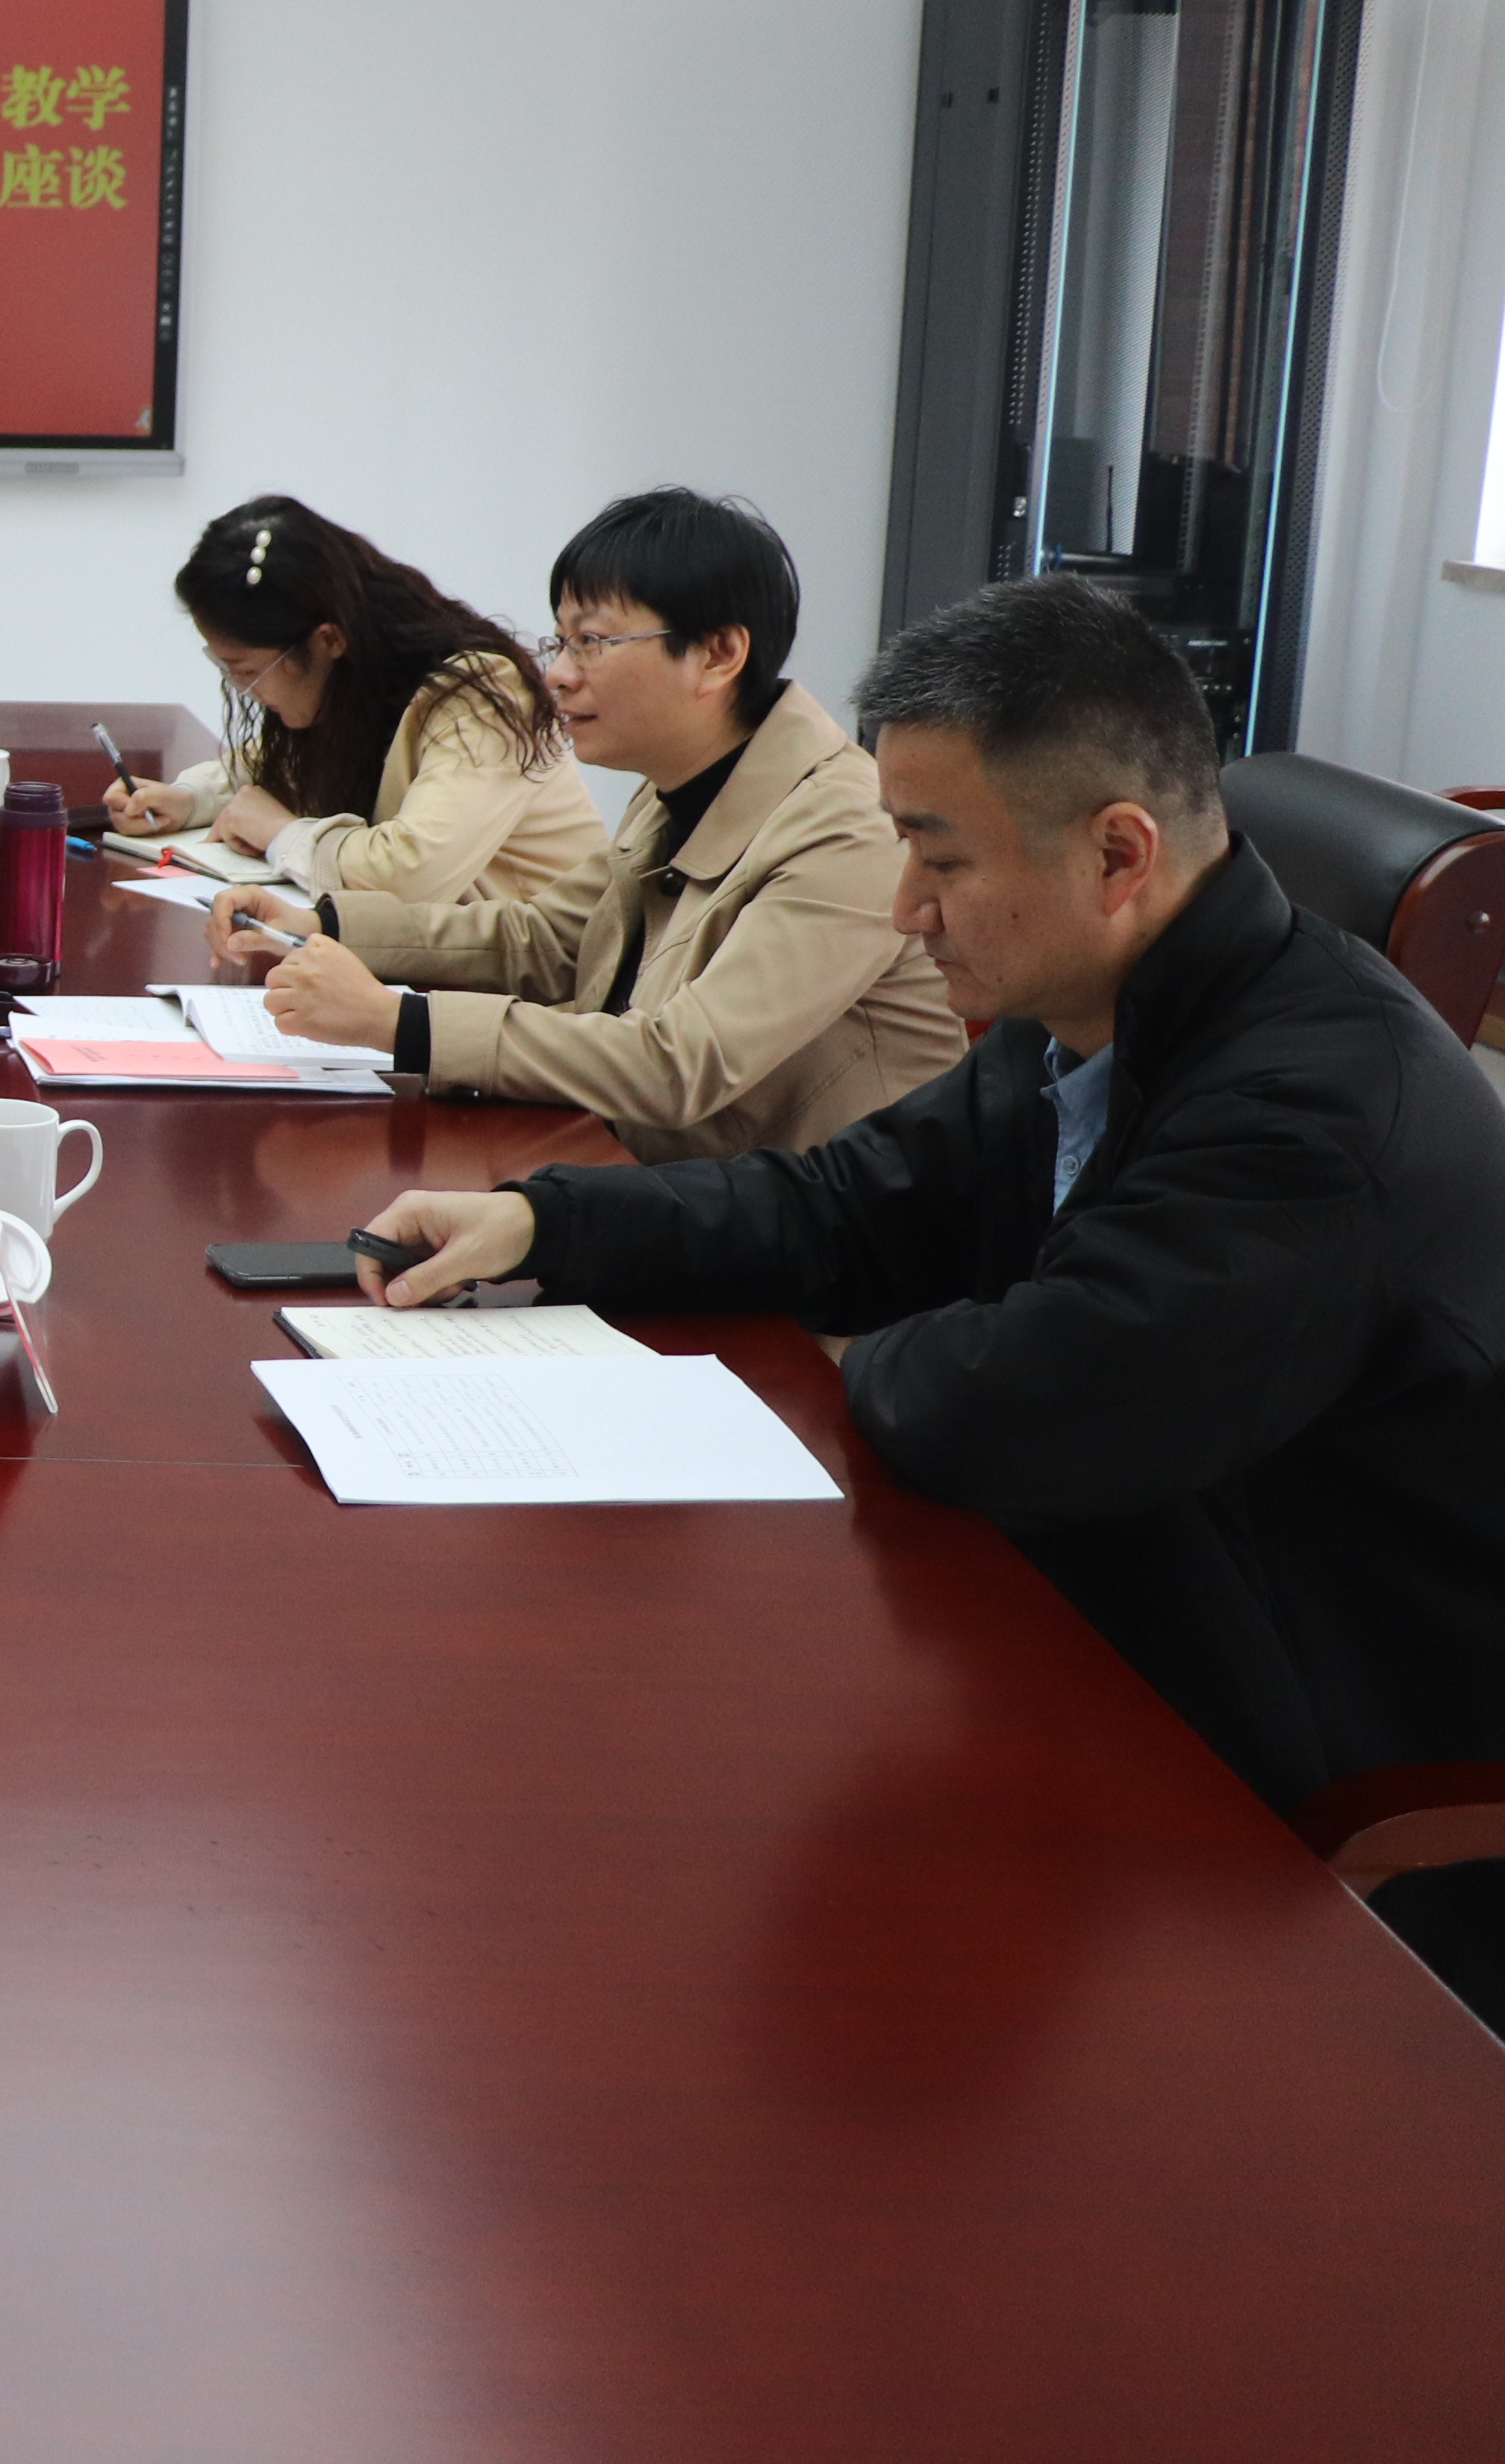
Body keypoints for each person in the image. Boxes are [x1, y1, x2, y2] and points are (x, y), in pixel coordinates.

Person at [355, 576, 1505, 1903]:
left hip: (1301, 1746)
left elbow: (1013, 1410)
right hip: (1110, 1604)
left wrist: (868, 1354)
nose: (906, 907)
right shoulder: (1099, 1005)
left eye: (942, 860)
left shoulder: (1314, 1116)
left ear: (1119, 856)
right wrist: (546, 1218)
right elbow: (850, 1205)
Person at [204, 489, 964, 1158]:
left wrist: (400, 1021)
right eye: (561, 641)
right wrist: (322, 925)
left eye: (593, 642)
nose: (560, 673)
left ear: (719, 654)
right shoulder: (677, 786)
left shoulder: (850, 826)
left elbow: (681, 1063)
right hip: (660, 1181)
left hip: (811, 1251)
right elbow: (545, 939)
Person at [102, 494, 602, 906]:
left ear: (327, 640)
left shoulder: (482, 693)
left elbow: (413, 873)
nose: (242, 690)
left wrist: (281, 834)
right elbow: (279, 765)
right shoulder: (354, 682)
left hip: (541, 983)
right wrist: (191, 799)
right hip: (434, 966)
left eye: (248, 671)